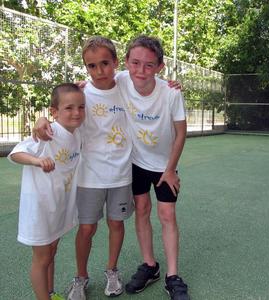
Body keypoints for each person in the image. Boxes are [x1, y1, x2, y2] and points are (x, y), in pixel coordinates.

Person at [34, 36, 135, 299]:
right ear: (86, 68)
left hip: (122, 174)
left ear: (115, 62)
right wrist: (41, 118)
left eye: (105, 63)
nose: (99, 71)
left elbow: (149, 79)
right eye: (91, 66)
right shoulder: (83, 93)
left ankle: (112, 272)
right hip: (89, 176)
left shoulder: (127, 84)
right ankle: (81, 277)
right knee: (87, 228)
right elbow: (59, 109)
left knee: (116, 223)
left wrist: (172, 86)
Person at [115, 35, 190, 300]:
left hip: (164, 165)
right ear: (126, 62)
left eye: (149, 65)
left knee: (167, 214)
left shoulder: (171, 92)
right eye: (135, 63)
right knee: (142, 210)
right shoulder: (121, 80)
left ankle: (172, 275)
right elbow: (93, 88)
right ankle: (150, 265)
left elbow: (181, 133)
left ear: (160, 66)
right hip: (136, 161)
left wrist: (171, 169)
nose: (141, 70)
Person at [8, 83, 85, 300]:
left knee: (52, 251)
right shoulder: (48, 133)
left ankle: (50, 293)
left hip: (58, 206)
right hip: (40, 208)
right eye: (69, 108)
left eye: (81, 107)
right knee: (42, 258)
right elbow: (16, 153)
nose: (77, 113)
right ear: (54, 112)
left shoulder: (77, 134)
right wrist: (37, 160)